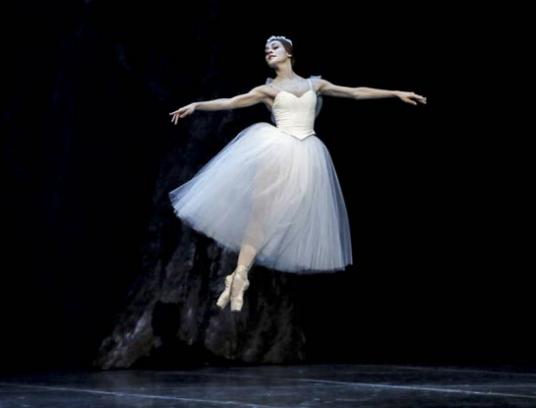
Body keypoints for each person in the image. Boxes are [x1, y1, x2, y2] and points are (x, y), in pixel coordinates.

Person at [168, 35, 426, 312]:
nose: (269, 51)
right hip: (275, 148)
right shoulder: (266, 90)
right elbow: (231, 102)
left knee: (284, 217)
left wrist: (395, 93)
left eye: (275, 47)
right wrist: (197, 106)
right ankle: (240, 274)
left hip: (306, 154)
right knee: (260, 215)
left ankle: (238, 276)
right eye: (266, 50)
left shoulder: (316, 84)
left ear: (289, 53)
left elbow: (355, 92)